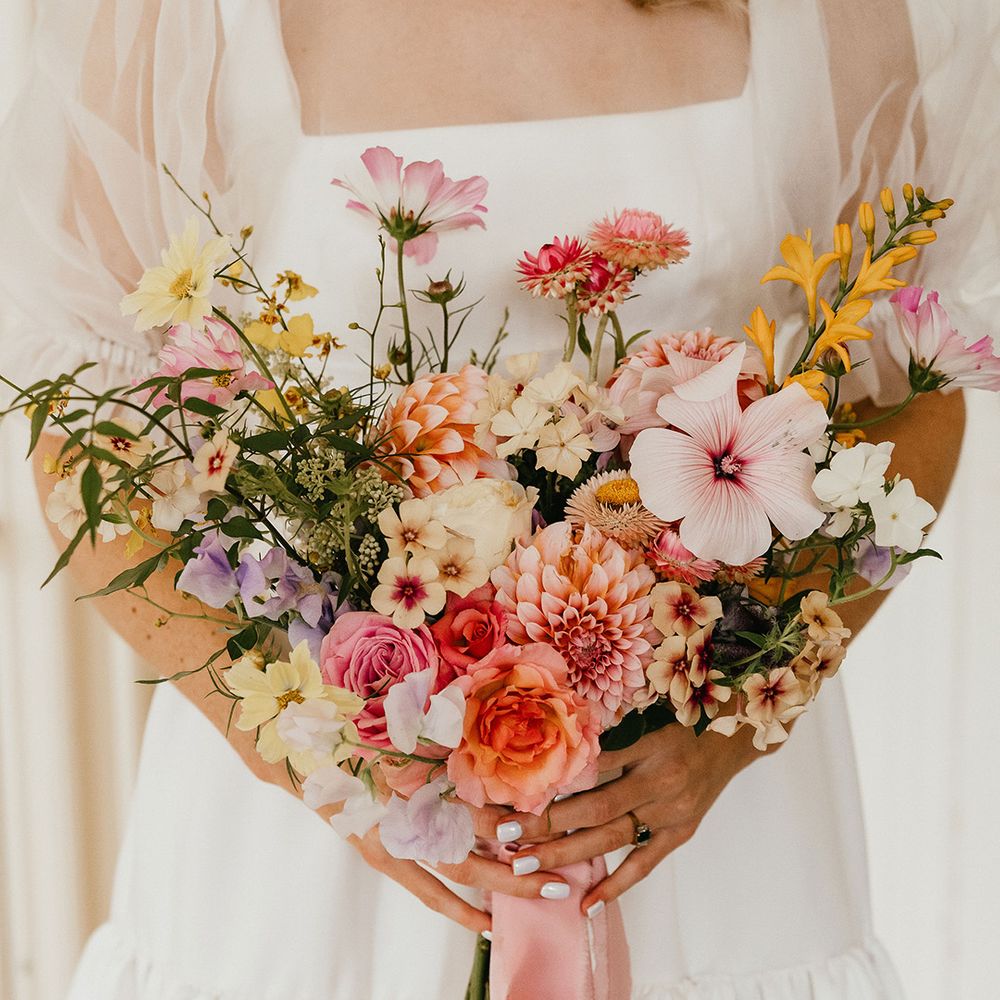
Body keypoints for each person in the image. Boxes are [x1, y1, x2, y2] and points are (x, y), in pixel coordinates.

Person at [0, 0, 995, 996]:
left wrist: (726, 729)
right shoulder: (188, 19)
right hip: (317, 827)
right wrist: (324, 767)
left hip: (701, 808)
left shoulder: (822, 16)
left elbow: (907, 404)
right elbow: (85, 438)